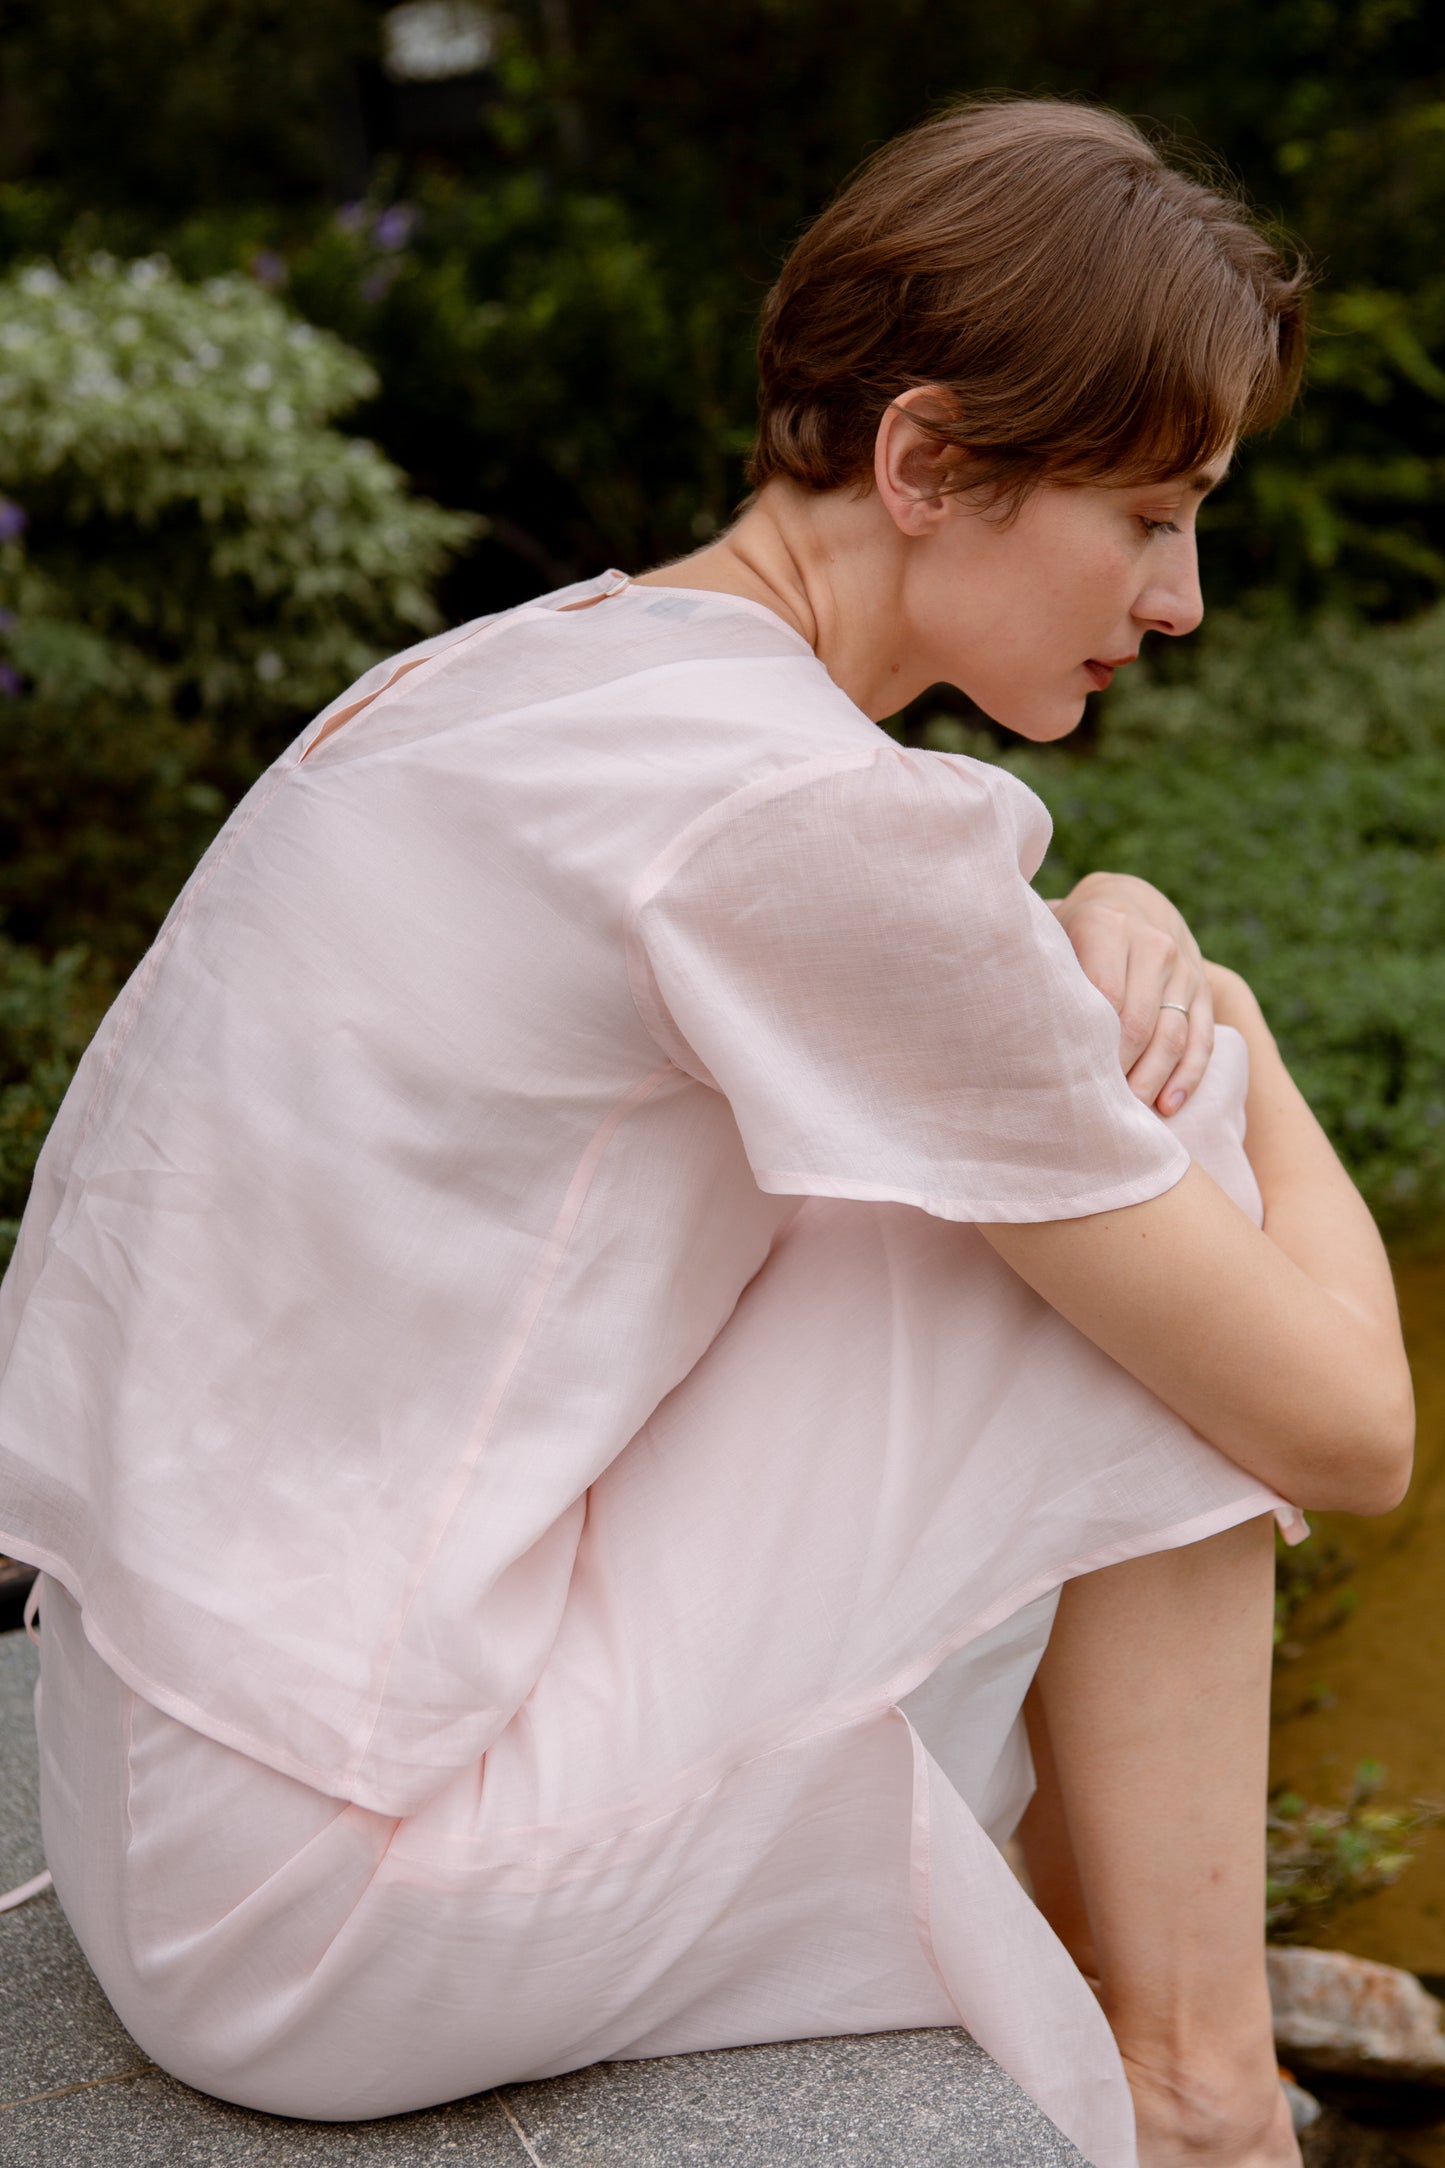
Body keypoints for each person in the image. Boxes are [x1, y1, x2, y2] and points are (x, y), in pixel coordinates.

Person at [0, 97, 1413, 2168]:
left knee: (1065, 1118)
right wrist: (1245, 1038)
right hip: (332, 1904)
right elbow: (1352, 1432)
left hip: (165, 1794)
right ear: (926, 461)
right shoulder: (800, 815)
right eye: (1148, 514)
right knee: (1159, 1123)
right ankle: (1206, 2101)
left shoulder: (529, 673)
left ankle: (1131, 2017)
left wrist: (1116, 935)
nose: (1183, 596)